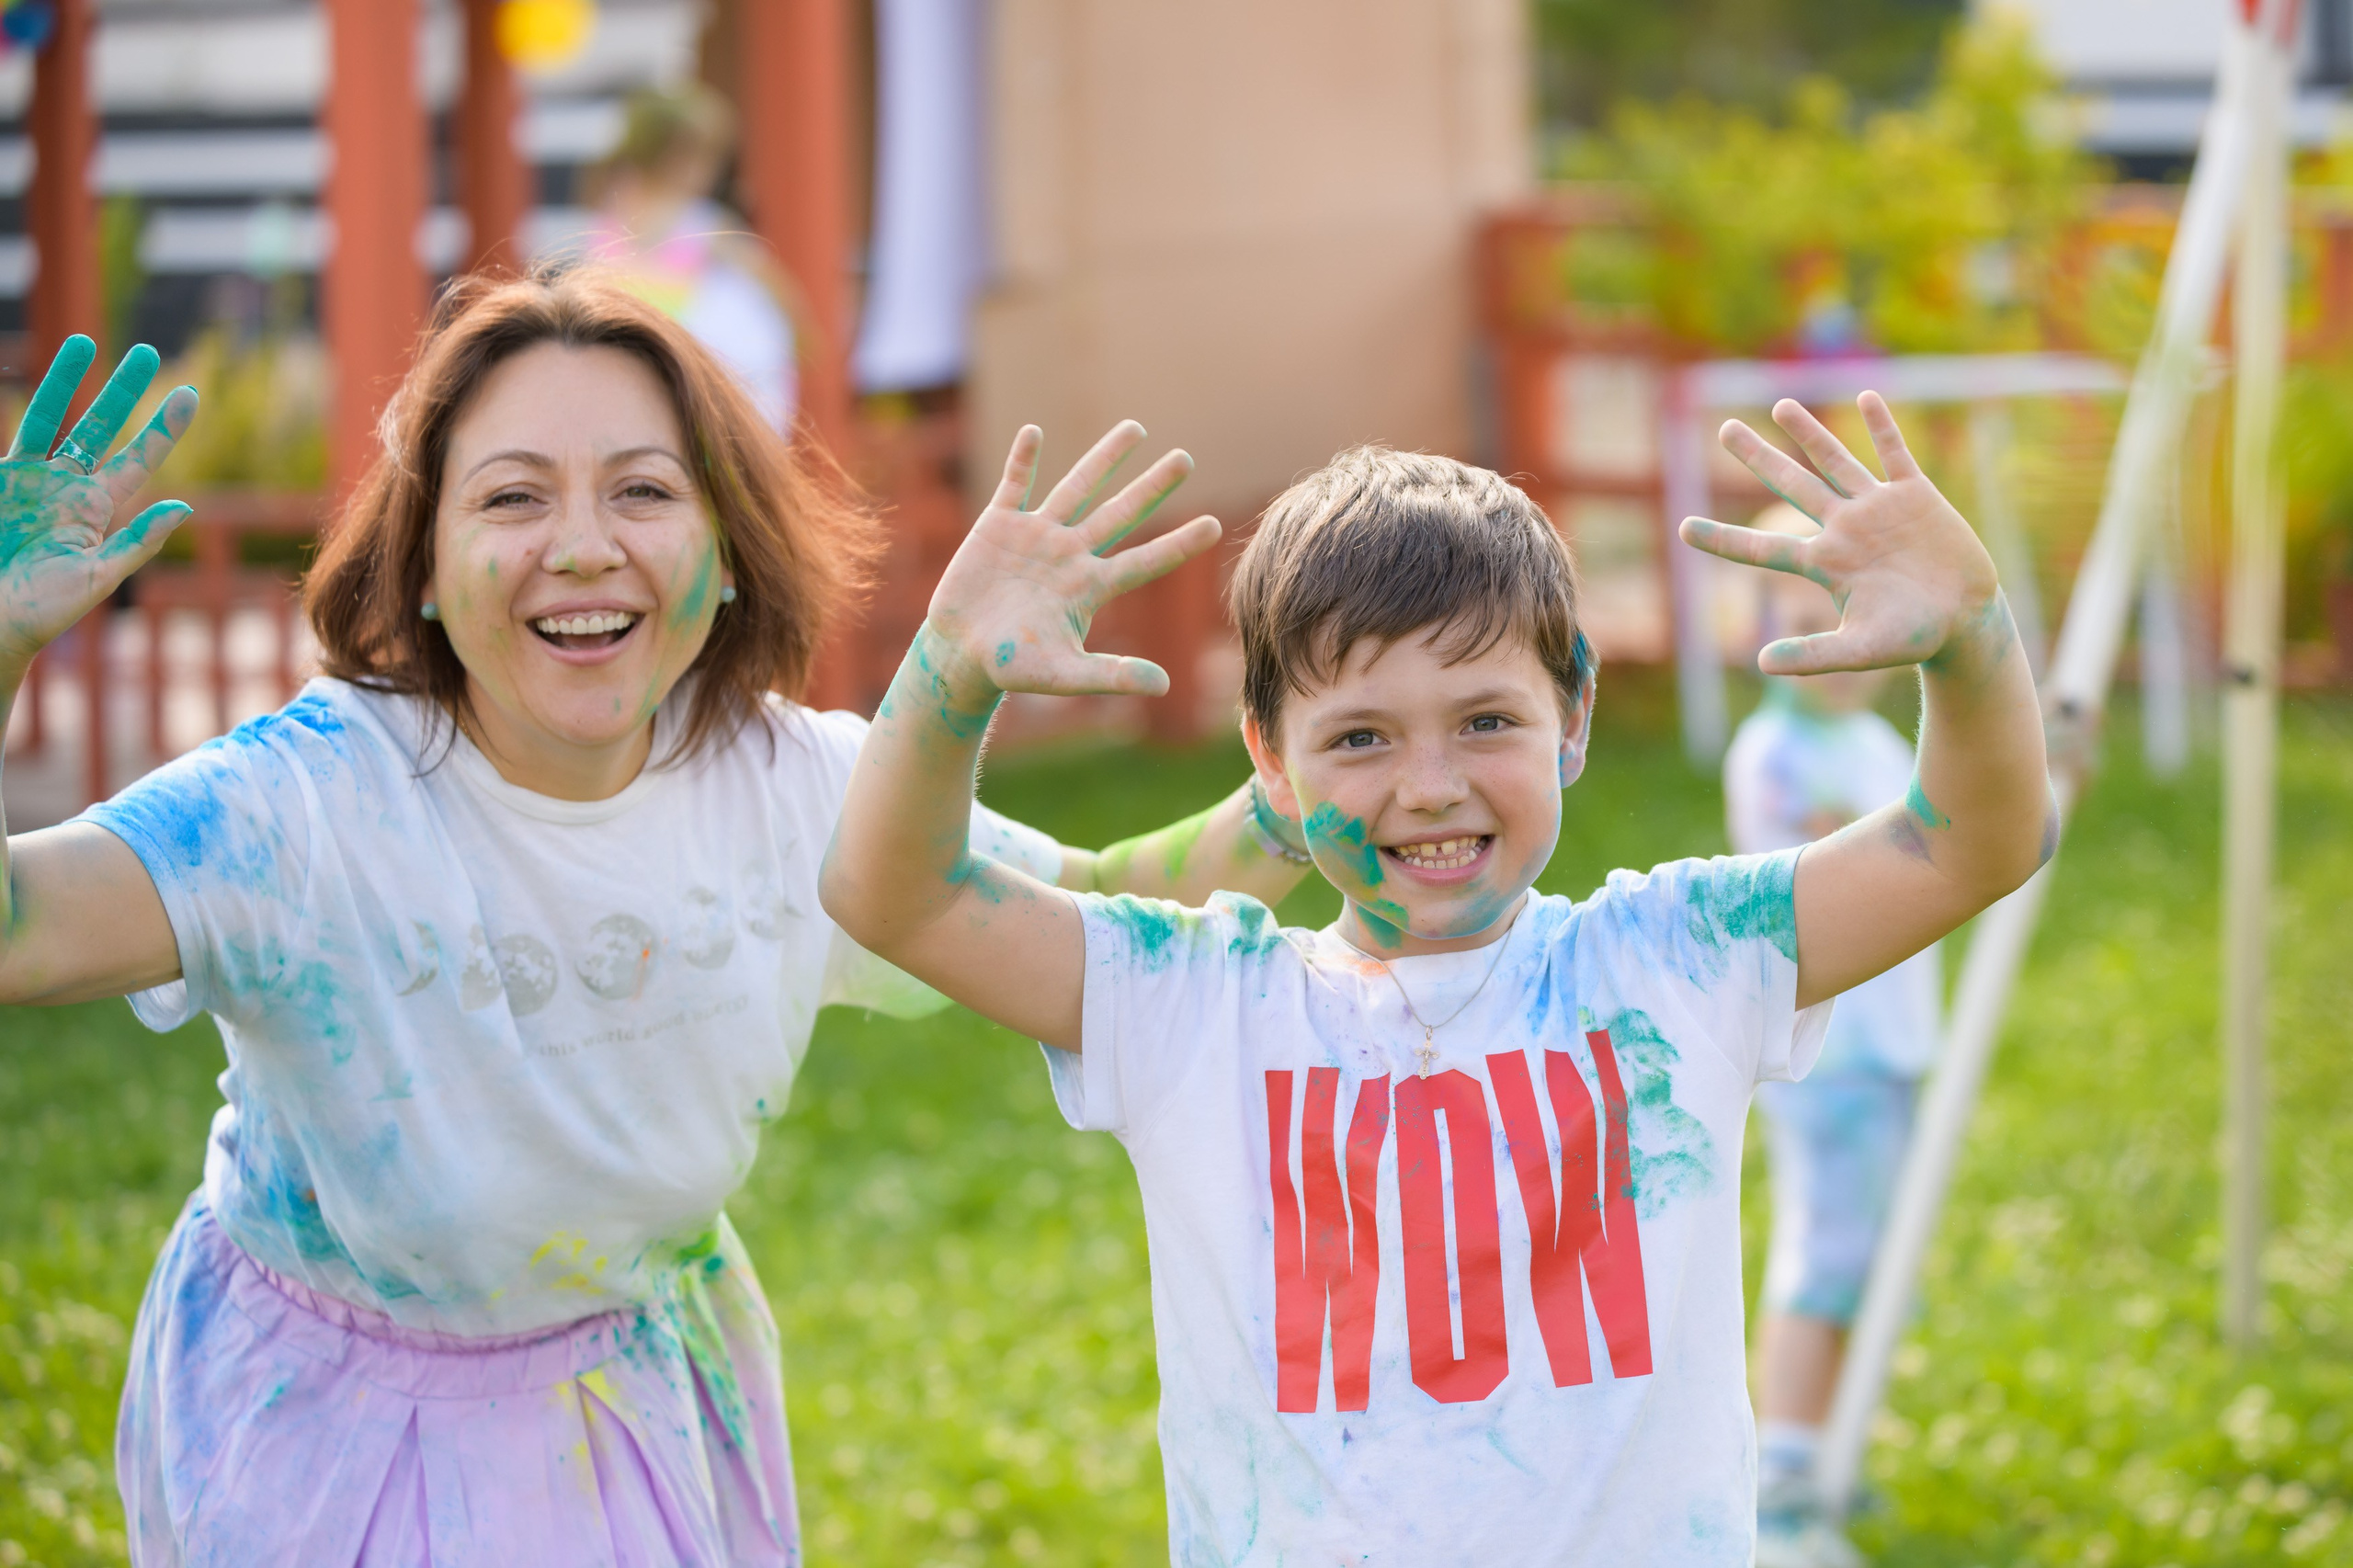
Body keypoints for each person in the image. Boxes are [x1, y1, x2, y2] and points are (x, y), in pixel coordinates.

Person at [0, 273, 1305, 1564]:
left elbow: (1090, 914)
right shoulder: (301, 806)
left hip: (636, 1386)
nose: (581, 546)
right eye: (513, 496)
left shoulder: (791, 790)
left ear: (726, 556)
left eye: (642, 489)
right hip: (329, 1422)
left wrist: (1308, 799)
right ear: (430, 573)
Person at [820, 400, 2053, 1563]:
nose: (1429, 784)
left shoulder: (1679, 960)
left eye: (1484, 721)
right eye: (1360, 736)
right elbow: (895, 894)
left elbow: (1974, 838)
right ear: (1273, 763)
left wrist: (1973, 636)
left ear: (1571, 712)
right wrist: (948, 673)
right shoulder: (1194, 1004)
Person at [1724, 506, 1941, 1568]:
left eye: (1854, 616)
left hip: (1892, 1045)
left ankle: (1829, 1450)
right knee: (1828, 1250)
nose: (1838, 644)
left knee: (1872, 1258)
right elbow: (1879, 862)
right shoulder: (1771, 753)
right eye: (1806, 617)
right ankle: (1785, 1481)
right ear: (1755, 627)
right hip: (1829, 1055)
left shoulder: (1866, 738)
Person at [585, 85, 806, 435]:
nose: (703, 170)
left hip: (695, 379)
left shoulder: (707, 225)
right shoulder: (614, 211)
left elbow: (771, 286)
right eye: (692, 156)